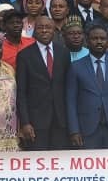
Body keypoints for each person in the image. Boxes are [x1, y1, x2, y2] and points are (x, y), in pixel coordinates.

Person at [66, 25, 108, 149]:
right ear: (87, 41)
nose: (99, 42)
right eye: (95, 38)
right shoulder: (75, 66)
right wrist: (74, 130)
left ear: (107, 41)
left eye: (102, 39)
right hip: (86, 129)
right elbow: (71, 101)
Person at [16, 16, 70, 151]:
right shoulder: (24, 55)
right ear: (34, 31)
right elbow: (21, 92)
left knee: (60, 159)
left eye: (48, 27)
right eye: (40, 27)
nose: (44, 31)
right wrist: (25, 122)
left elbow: (68, 88)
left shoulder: (64, 52)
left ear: (54, 30)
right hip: (36, 122)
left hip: (61, 120)